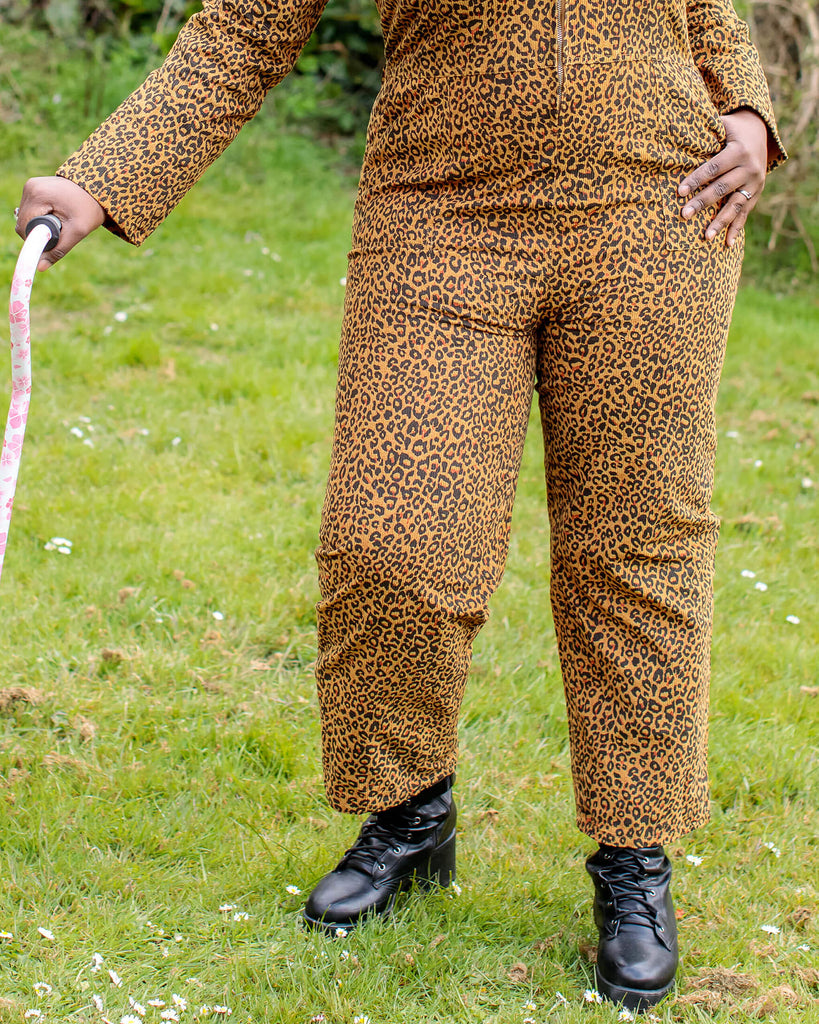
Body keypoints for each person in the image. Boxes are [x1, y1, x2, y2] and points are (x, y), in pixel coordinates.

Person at [17, 0, 786, 1011]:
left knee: (636, 543)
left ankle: (634, 857)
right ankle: (409, 808)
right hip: (441, 213)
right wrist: (104, 175)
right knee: (390, 539)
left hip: (658, 208)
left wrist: (748, 108)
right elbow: (244, 26)